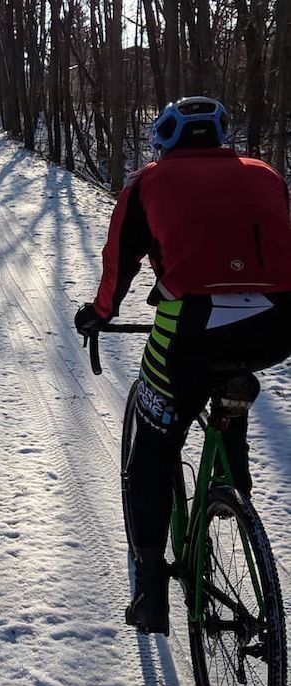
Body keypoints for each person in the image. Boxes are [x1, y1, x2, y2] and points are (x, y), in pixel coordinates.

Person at [74, 96, 291, 636]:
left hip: (192, 327)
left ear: (165, 143)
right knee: (229, 383)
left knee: (151, 451)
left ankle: (151, 590)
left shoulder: (147, 183)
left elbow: (119, 264)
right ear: (221, 138)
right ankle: (234, 492)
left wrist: (99, 315)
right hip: (279, 323)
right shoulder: (266, 173)